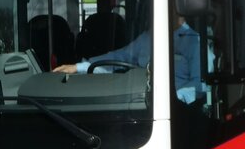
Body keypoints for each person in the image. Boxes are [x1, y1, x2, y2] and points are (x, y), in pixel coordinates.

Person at [54, 16, 205, 104]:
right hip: (138, 104)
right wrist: (80, 67)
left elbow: (200, 86)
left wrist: (172, 99)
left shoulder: (194, 41)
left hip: (177, 114)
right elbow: (120, 56)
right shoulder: (148, 38)